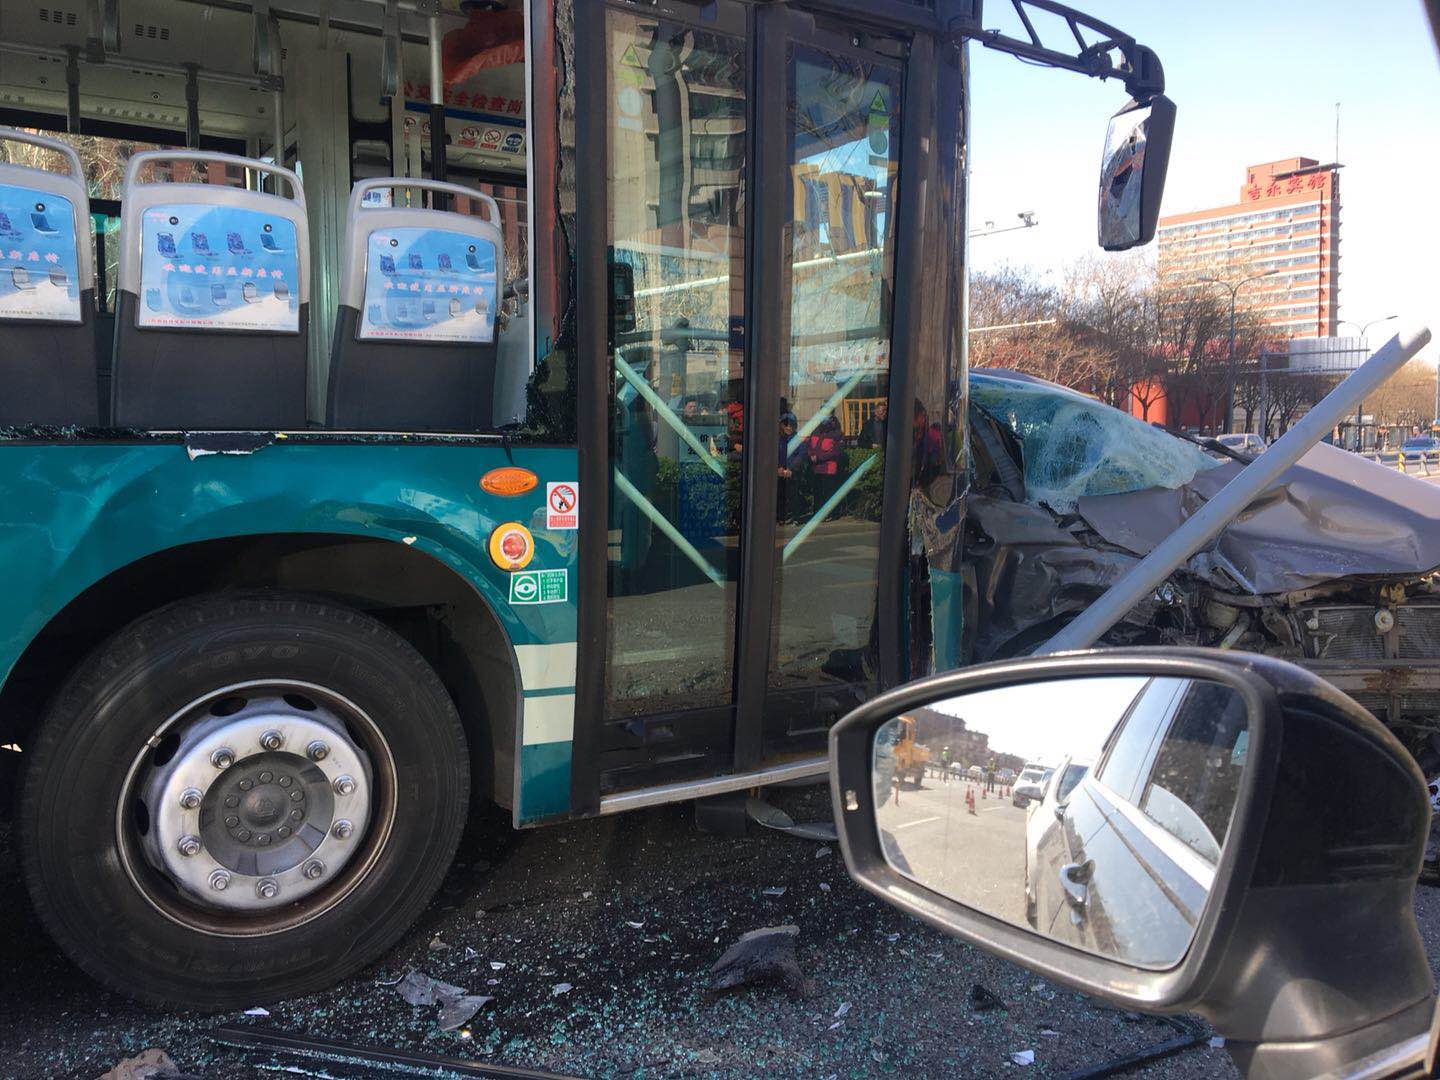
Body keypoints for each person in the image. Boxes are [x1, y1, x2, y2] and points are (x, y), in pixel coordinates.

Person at [804, 413, 845, 509]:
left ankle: (829, 513)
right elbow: (808, 445)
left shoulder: (837, 433)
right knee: (817, 491)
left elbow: (836, 452)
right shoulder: (815, 431)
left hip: (829, 468)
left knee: (828, 491)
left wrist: (818, 457)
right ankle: (817, 512)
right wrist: (811, 454)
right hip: (815, 467)